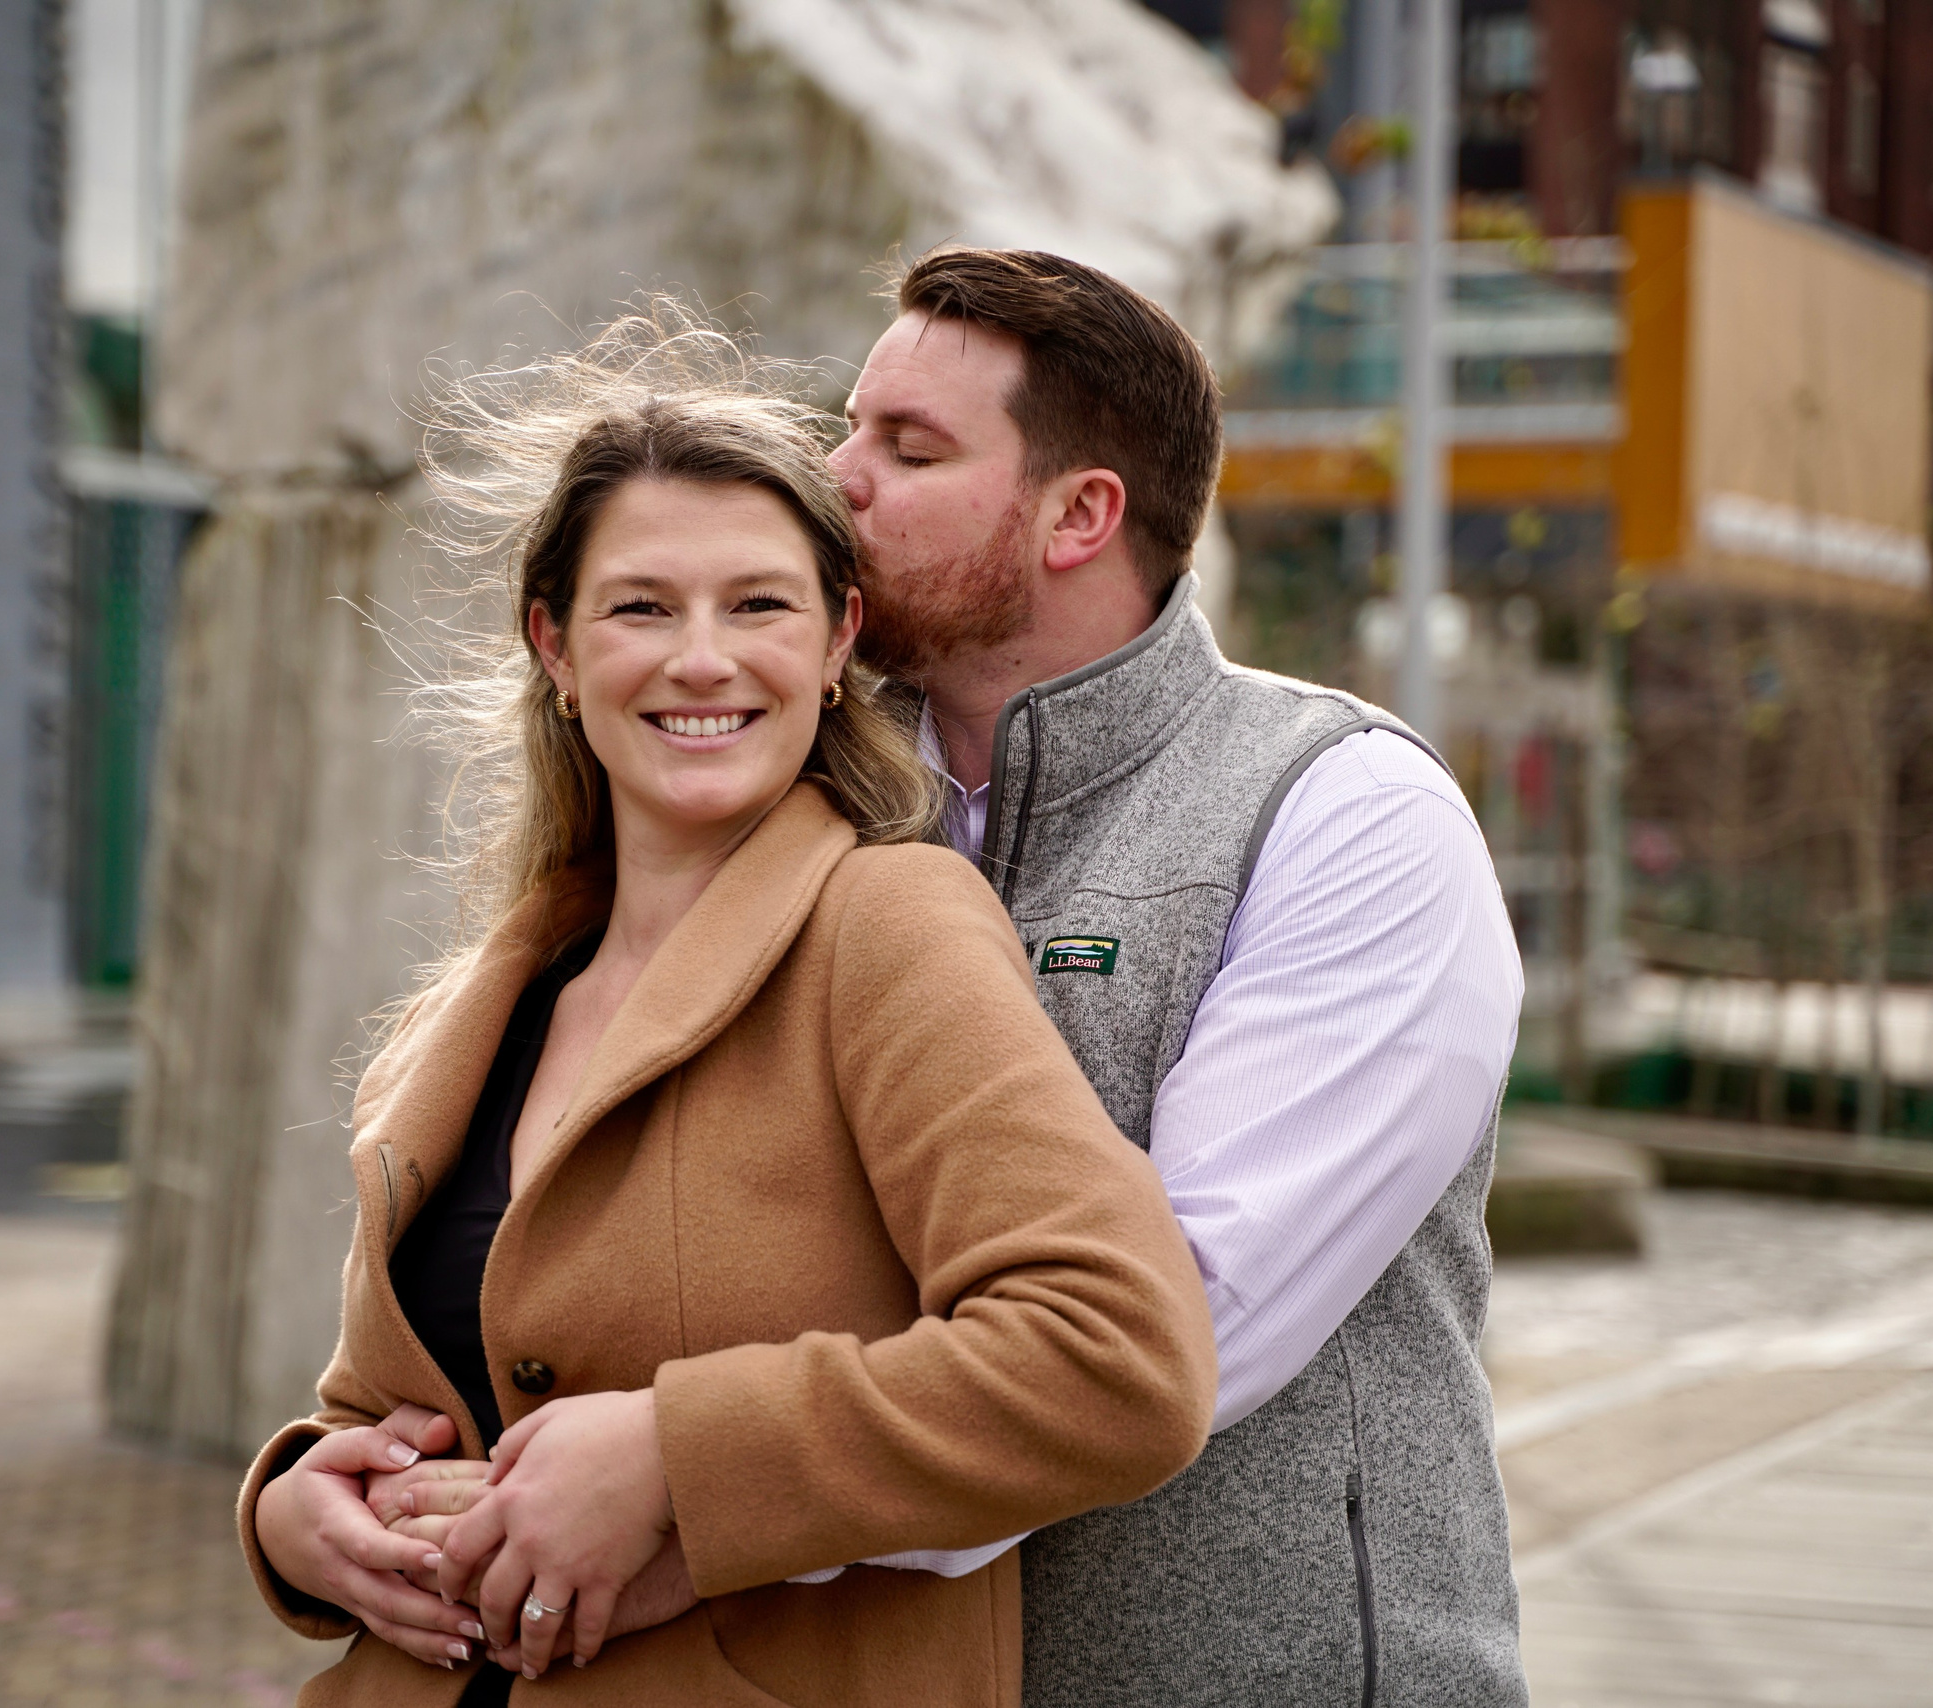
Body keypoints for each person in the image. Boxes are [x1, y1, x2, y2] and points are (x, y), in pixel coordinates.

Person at [235, 310, 1216, 1706]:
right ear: (555, 647)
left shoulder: (888, 925)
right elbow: (393, 1402)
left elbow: (1117, 1358)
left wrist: (673, 1459)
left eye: (758, 606)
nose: (702, 660)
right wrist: (294, 1508)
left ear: (838, 642)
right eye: (641, 607)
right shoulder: (487, 1001)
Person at [819, 248, 1528, 1706]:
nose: (838, 478)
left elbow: (1172, 1335)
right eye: (849, 428)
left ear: (1080, 515)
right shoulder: (809, 809)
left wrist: (687, 1500)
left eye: (909, 448)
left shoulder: (1348, 814)